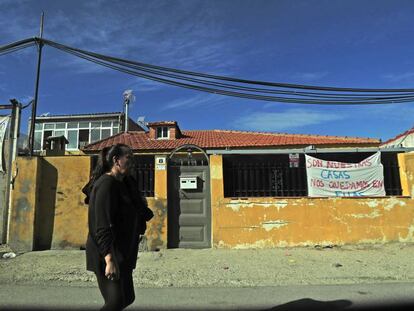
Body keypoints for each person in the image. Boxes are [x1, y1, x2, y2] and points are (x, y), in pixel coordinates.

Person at [82, 143, 153, 311]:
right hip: (107, 253)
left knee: (128, 297)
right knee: (115, 302)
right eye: (129, 158)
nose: (133, 162)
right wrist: (109, 260)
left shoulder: (125, 184)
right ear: (116, 160)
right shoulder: (107, 184)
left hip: (123, 253)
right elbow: (102, 225)